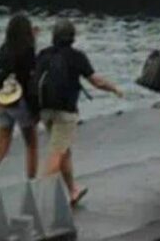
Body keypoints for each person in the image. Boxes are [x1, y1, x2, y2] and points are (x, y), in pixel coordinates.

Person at [36, 19, 123, 206]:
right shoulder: (76, 56)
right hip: (65, 112)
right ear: (72, 37)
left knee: (64, 150)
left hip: (44, 109)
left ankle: (73, 190)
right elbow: (96, 82)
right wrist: (114, 88)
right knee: (57, 153)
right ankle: (39, 197)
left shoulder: (43, 54)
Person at [0, 14, 39, 180]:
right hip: (19, 102)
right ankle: (31, 183)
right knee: (31, 144)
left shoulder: (4, 48)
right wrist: (35, 109)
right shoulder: (28, 50)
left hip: (1, 99)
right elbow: (28, 79)